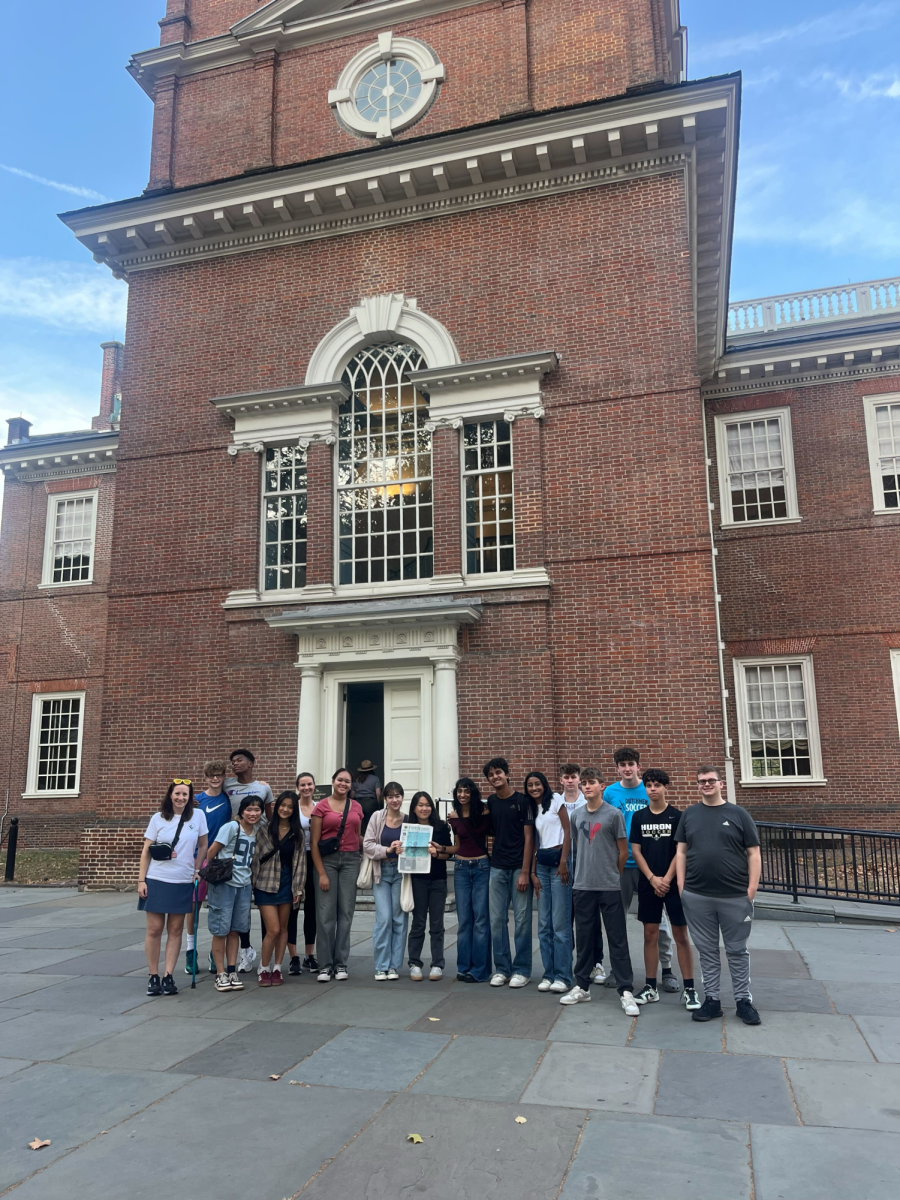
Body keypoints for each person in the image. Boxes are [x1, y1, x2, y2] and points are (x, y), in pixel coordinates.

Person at [676, 765, 762, 1025]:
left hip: (735, 895)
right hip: (697, 896)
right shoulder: (690, 814)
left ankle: (743, 1001)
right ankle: (712, 1000)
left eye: (711, 780)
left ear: (721, 784)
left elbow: (754, 853)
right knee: (707, 950)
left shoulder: (738, 814)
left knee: (737, 950)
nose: (706, 784)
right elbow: (681, 851)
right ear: (697, 785)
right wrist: (681, 887)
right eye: (702, 781)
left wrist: (752, 889)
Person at [561, 768, 639, 1015]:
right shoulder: (577, 816)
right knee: (583, 938)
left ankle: (626, 990)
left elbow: (623, 851)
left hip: (609, 886)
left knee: (617, 938)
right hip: (583, 885)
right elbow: (577, 846)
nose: (586, 786)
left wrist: (613, 875)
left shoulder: (613, 814)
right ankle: (582, 986)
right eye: (583, 783)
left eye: (591, 782)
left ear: (602, 785)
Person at [603, 747, 675, 992]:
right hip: (621, 866)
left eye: (631, 764)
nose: (627, 768)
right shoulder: (610, 792)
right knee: (616, 920)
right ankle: (618, 968)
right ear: (617, 768)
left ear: (637, 766)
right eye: (622, 764)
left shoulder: (648, 789)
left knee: (659, 922)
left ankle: (667, 968)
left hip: (650, 867)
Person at [629, 769, 700, 1010]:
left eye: (657, 784)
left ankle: (690, 988)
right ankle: (650, 986)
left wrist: (666, 879)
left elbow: (681, 851)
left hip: (673, 884)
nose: (652, 788)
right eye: (648, 784)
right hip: (649, 884)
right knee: (650, 934)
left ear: (666, 787)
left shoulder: (678, 817)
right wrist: (651, 878)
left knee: (681, 935)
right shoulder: (639, 817)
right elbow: (636, 850)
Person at [138, 780, 208, 996]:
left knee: (175, 930)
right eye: (177, 793)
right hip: (157, 878)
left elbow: (204, 844)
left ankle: (168, 975)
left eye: (185, 794)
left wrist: (197, 868)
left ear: (189, 797)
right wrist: (141, 880)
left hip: (182, 880)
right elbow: (146, 850)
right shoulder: (157, 818)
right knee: (154, 929)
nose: (181, 798)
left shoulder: (198, 816)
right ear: (170, 795)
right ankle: (153, 976)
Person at [484, 757, 534, 988]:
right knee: (496, 920)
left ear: (506, 774)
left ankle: (522, 969)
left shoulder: (523, 801)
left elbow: (529, 837)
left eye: (498, 773)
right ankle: (502, 969)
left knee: (522, 920)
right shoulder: (492, 802)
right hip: (497, 867)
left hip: (518, 868)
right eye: (491, 775)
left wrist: (525, 872)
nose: (495, 777)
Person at [310, 767, 364, 982]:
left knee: (346, 913)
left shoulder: (357, 807)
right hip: (328, 862)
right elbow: (313, 843)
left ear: (351, 785)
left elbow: (358, 836)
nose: (343, 784)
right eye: (340, 780)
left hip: (351, 860)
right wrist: (321, 873)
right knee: (325, 915)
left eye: (347, 781)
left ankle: (341, 963)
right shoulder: (321, 807)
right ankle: (324, 965)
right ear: (333, 781)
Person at [224, 749, 274, 974]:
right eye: (233, 761)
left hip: (260, 846)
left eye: (239, 760)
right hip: (238, 846)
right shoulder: (227, 784)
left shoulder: (264, 788)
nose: (235, 764)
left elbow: (270, 818)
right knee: (241, 903)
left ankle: (267, 950)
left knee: (264, 900)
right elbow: (210, 791)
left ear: (252, 763)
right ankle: (245, 948)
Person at [206, 795, 263, 992]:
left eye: (257, 810)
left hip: (244, 885)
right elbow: (212, 851)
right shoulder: (231, 827)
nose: (253, 813)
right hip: (225, 883)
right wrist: (209, 874)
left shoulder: (256, 831)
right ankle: (220, 973)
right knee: (221, 929)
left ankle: (232, 970)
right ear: (242, 811)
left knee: (235, 929)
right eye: (249, 809)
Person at [555, 763, 604, 983]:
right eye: (566, 777)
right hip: (564, 863)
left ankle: (597, 963)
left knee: (591, 917)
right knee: (567, 917)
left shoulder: (588, 801)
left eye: (574, 777)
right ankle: (573, 962)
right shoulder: (555, 802)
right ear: (561, 780)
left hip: (587, 862)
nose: (571, 781)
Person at [252, 790, 307, 986]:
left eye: (290, 807)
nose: (285, 809)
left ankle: (277, 968)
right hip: (265, 883)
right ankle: (263, 967)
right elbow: (256, 858)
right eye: (282, 805)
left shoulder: (297, 833)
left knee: (284, 929)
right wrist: (253, 884)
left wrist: (298, 889)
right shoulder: (264, 830)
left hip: (287, 883)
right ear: (277, 807)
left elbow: (300, 862)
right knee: (273, 929)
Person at [527, 771, 573, 994]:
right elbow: (535, 841)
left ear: (544, 785)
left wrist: (564, 861)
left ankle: (564, 975)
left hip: (559, 864)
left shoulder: (556, 800)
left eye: (537, 784)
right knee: (544, 924)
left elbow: (568, 830)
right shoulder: (531, 808)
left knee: (560, 924)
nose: (534, 788)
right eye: (530, 785)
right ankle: (549, 973)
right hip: (542, 866)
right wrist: (533, 873)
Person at [187, 759, 232, 975]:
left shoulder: (228, 798)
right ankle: (190, 951)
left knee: (218, 908)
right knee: (193, 907)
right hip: (198, 859)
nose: (215, 779)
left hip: (220, 860)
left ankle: (215, 953)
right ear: (205, 778)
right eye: (211, 775)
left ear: (224, 776)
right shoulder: (196, 800)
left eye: (219, 775)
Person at [447, 777, 492, 982]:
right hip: (461, 867)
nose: (462, 795)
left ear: (472, 793)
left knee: (481, 920)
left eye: (466, 791)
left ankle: (480, 970)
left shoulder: (484, 813)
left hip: (482, 867)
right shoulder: (453, 817)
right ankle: (463, 967)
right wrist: (440, 850)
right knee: (465, 920)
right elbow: (457, 846)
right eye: (459, 791)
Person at [407, 791, 453, 981]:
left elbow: (448, 853)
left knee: (437, 923)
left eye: (427, 805)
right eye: (420, 805)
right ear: (414, 808)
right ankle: (415, 963)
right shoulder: (408, 828)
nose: (424, 808)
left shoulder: (441, 827)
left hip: (437, 879)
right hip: (417, 879)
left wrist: (436, 853)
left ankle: (437, 964)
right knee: (418, 923)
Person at [364, 780, 408, 980]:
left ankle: (393, 966)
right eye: (390, 796)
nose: (394, 800)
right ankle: (381, 965)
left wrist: (404, 848)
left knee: (399, 919)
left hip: (400, 873)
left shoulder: (408, 820)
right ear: (385, 799)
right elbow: (368, 845)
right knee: (384, 919)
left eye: (397, 795)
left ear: (402, 797)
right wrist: (388, 850)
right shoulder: (376, 817)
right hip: (381, 872)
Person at [288, 771, 318, 975]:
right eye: (302, 785)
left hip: (314, 859)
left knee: (312, 910)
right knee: (293, 908)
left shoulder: (319, 807)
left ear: (314, 786)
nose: (306, 788)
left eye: (309, 784)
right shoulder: (292, 808)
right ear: (297, 787)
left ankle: (309, 955)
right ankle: (293, 957)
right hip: (295, 861)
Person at [354, 759, 383, 837]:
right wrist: (378, 804)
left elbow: (352, 794)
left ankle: (361, 842)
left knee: (360, 825)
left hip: (358, 803)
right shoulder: (375, 778)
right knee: (371, 824)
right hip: (371, 803)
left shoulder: (355, 779)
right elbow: (378, 793)